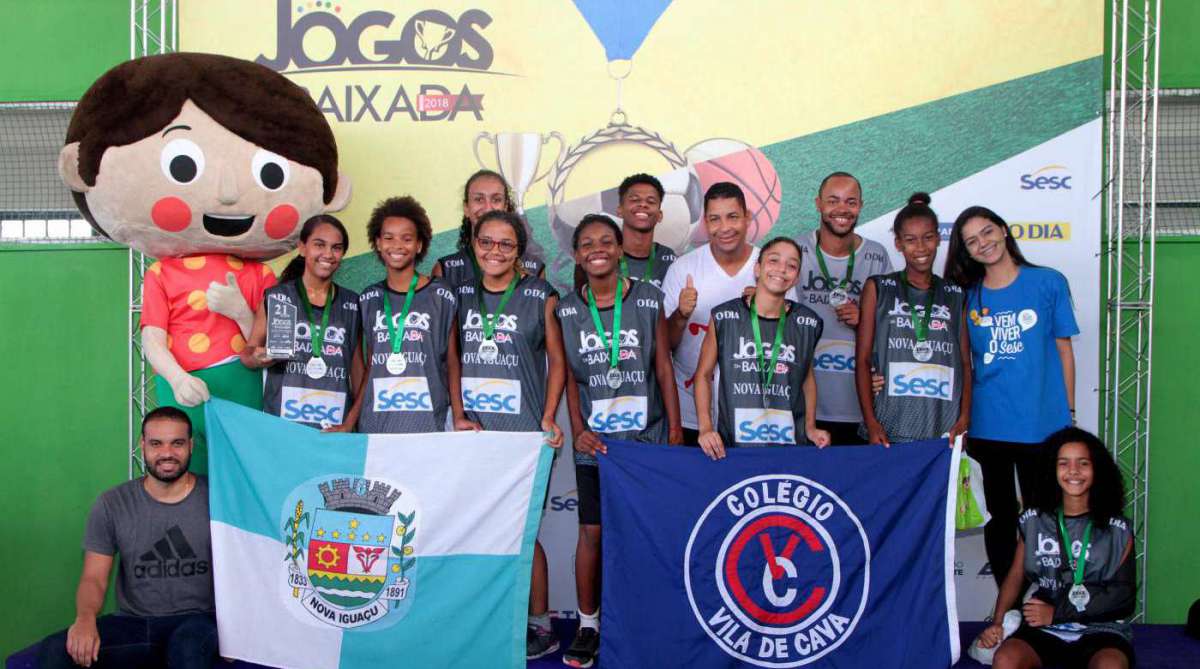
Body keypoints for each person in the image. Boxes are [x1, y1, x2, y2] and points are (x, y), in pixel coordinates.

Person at [58, 53, 351, 460]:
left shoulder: (263, 276)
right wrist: (176, 378)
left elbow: (272, 348)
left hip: (245, 387)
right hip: (183, 386)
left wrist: (240, 314)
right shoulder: (161, 274)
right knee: (184, 468)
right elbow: (152, 338)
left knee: (242, 468)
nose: (229, 192)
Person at [556, 214, 683, 667]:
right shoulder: (567, 309)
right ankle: (588, 626)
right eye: (587, 243)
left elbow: (663, 367)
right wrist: (580, 430)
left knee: (648, 531)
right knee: (591, 531)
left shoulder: (649, 299)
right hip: (597, 445)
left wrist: (672, 429)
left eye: (606, 241)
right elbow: (570, 378)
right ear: (577, 255)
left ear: (619, 248)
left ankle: (649, 618)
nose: (598, 248)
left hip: (645, 443)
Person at [449, 209, 566, 659]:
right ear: (474, 244)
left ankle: (540, 623)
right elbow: (453, 357)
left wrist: (549, 415)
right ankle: (491, 618)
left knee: (523, 532)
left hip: (522, 438)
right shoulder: (459, 294)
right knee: (477, 530)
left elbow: (556, 360)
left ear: (519, 252)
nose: (494, 252)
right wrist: (459, 414)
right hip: (476, 435)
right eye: (486, 242)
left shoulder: (540, 295)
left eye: (505, 245)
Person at [946, 205, 1079, 588]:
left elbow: (1064, 350)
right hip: (990, 428)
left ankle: (1049, 601)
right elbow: (965, 366)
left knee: (1044, 518)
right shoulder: (968, 297)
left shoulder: (1048, 282)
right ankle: (1010, 610)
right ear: (966, 252)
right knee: (1001, 519)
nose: (982, 243)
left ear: (1004, 231)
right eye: (972, 241)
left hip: (1044, 426)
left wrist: (1068, 414)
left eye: (987, 232)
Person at [37, 408, 217, 669]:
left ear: (191, 446)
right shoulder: (113, 503)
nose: (167, 453)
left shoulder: (219, 498)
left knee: (186, 650)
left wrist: (239, 631)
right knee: (55, 650)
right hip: (136, 623)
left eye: (177, 443)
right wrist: (85, 619)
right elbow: (94, 578)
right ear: (142, 445)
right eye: (156, 444)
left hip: (200, 620)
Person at [973, 427, 1135, 669]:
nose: (1073, 471)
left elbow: (1123, 597)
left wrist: (1058, 612)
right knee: (1005, 660)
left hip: (1101, 628)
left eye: (1083, 463)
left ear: (1096, 470)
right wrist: (997, 622)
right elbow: (1016, 576)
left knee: (1111, 666)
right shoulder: (1035, 520)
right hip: (1045, 627)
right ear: (1052, 469)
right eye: (1063, 463)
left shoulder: (1117, 528)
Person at [693, 237, 828, 458]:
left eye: (791, 265)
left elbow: (807, 377)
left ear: (796, 278)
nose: (781, 269)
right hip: (733, 446)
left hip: (789, 444)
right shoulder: (724, 316)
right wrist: (706, 428)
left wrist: (810, 427)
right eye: (773, 260)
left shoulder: (808, 322)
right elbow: (703, 375)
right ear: (757, 268)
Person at [855, 193, 971, 446]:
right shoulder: (879, 287)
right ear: (898, 244)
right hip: (888, 425)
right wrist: (871, 422)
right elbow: (863, 359)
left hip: (942, 427)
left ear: (938, 239)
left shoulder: (954, 294)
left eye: (928, 238)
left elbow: (964, 362)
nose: (920, 248)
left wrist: (964, 418)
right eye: (910, 240)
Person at [795, 172, 893, 446]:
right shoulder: (795, 250)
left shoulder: (877, 254)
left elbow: (893, 328)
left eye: (851, 202)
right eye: (833, 201)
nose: (842, 210)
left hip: (858, 403)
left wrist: (866, 320)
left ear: (861, 206)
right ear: (818, 203)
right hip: (806, 401)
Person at [240, 215, 362, 431]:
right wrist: (258, 357)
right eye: (319, 245)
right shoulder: (279, 298)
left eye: (336, 248)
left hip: (333, 426)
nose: (328, 254)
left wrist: (350, 423)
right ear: (302, 248)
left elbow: (358, 373)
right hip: (283, 423)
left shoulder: (353, 303)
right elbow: (247, 354)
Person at [349, 197, 460, 433]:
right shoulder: (369, 299)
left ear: (419, 245)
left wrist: (458, 416)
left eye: (406, 238)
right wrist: (350, 421)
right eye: (388, 238)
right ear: (377, 243)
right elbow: (370, 367)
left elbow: (451, 361)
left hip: (427, 422)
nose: (397, 245)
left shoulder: (441, 294)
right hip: (378, 423)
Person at [661, 182, 761, 444]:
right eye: (715, 219)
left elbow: (790, 340)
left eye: (733, 217)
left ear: (747, 217)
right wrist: (681, 315)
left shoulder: (768, 268)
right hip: (690, 413)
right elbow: (665, 345)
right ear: (705, 223)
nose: (725, 228)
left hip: (753, 412)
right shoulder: (683, 269)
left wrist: (764, 311)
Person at [432, 169, 545, 286]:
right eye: (479, 199)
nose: (488, 208)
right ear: (466, 208)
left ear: (505, 207)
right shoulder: (445, 270)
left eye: (496, 200)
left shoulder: (534, 268)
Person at [572, 173, 677, 290]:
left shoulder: (669, 258)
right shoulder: (601, 255)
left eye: (651, 201)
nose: (643, 204)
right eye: (635, 200)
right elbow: (582, 302)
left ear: (660, 215)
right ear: (619, 210)